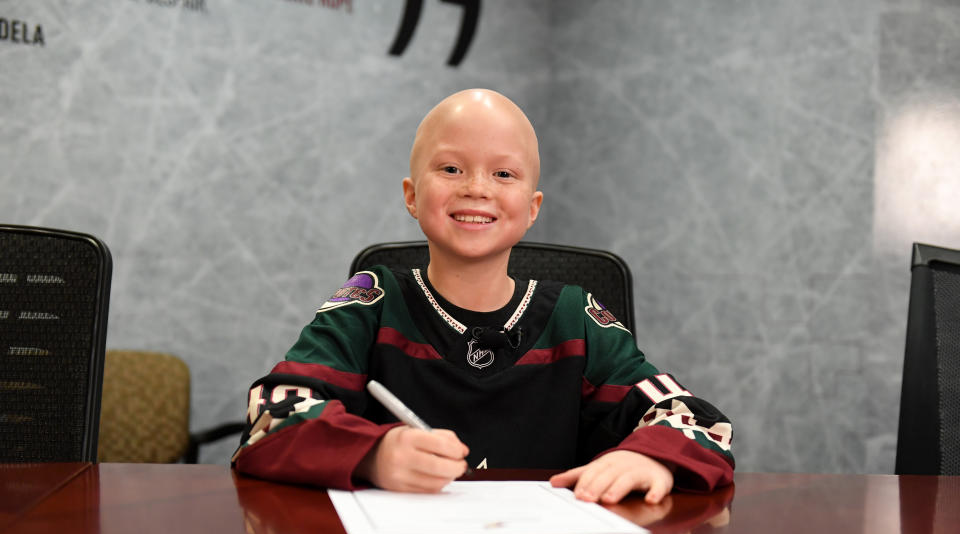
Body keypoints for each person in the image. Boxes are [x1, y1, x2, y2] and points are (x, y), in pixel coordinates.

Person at [232, 89, 733, 505]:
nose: (476, 188)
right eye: (450, 169)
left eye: (504, 174)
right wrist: (373, 454)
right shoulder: (371, 304)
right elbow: (269, 416)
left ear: (532, 208)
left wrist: (649, 456)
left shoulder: (576, 318)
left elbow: (698, 421)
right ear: (411, 194)